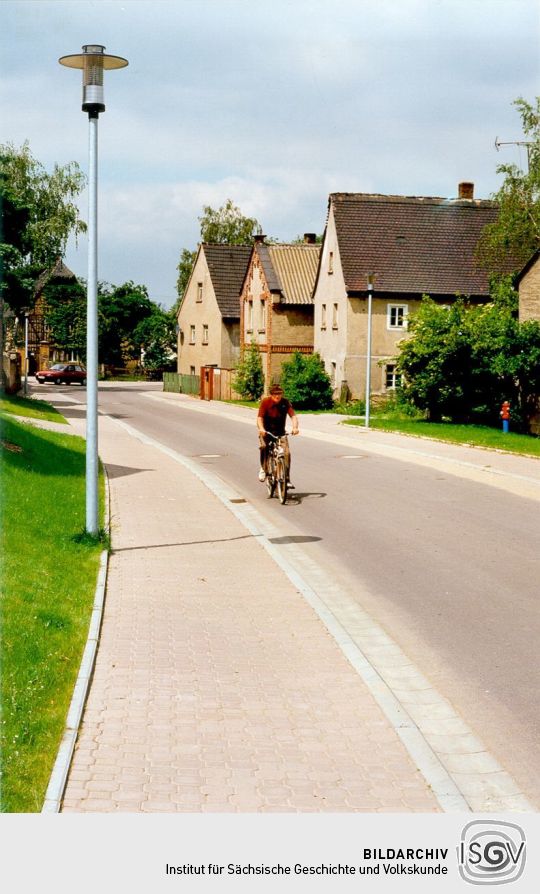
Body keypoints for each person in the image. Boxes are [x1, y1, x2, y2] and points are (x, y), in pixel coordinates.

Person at [257, 384, 299, 485]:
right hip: (267, 432)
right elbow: (260, 418)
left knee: (287, 454)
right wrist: (261, 429)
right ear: (271, 395)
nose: (277, 396)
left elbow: (293, 416)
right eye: (275, 394)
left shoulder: (285, 402)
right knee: (264, 446)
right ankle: (263, 468)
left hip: (280, 432)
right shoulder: (266, 402)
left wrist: (295, 427)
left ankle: (287, 479)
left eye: (279, 394)